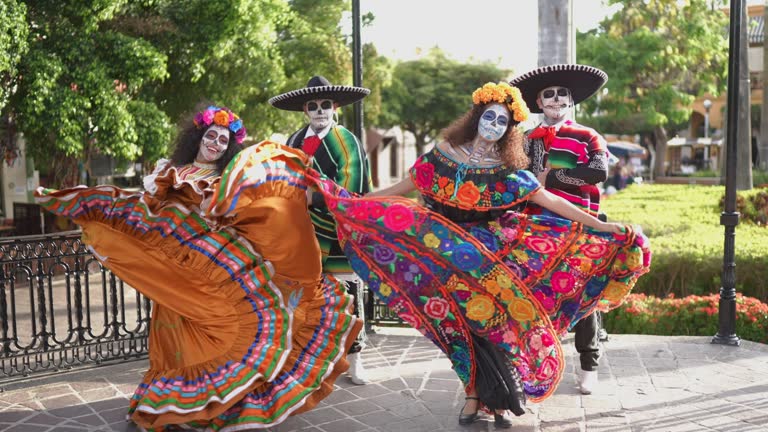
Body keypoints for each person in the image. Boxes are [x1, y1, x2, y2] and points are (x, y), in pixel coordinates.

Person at [305, 82, 652, 428]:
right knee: (461, 331)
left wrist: (604, 227)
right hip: (447, 260)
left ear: (509, 130)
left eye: (502, 122)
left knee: (495, 328)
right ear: (476, 117)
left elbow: (552, 201)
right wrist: (351, 202)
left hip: (492, 261)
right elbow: (399, 190)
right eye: (490, 117)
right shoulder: (443, 154)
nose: (494, 126)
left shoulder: (507, 168)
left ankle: (497, 401)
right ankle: (472, 393)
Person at [35, 104, 362, 431]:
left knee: (222, 334)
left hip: (211, 273)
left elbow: (238, 216)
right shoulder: (167, 172)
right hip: (174, 272)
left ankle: (217, 405)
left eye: (223, 140)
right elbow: (149, 215)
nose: (216, 143)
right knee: (174, 341)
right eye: (211, 135)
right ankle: (172, 404)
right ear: (198, 137)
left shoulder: (226, 180)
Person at [511, 64, 611, 395]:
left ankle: (589, 364)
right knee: (536, 298)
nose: (558, 99)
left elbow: (598, 172)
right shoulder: (525, 139)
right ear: (539, 102)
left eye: (563, 94)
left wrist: (551, 179)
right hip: (536, 230)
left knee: (585, 296)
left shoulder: (588, 135)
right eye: (550, 94)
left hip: (580, 227)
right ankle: (536, 365)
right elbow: (514, 178)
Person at [270, 75, 373, 385]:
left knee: (348, 297)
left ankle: (355, 361)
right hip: (301, 232)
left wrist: (307, 196)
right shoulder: (293, 140)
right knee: (301, 298)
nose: (319, 111)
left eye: (325, 105)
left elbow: (351, 189)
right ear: (305, 109)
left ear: (335, 107)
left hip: (339, 231)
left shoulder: (347, 141)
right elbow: (283, 178)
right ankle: (305, 362)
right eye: (313, 106)